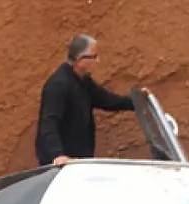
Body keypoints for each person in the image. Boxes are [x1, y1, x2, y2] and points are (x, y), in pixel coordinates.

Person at [35, 34, 138, 167]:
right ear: (79, 60)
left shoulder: (84, 81)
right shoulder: (58, 85)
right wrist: (58, 155)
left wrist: (136, 103)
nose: (98, 60)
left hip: (78, 162)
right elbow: (49, 123)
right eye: (94, 57)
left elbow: (107, 100)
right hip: (61, 167)